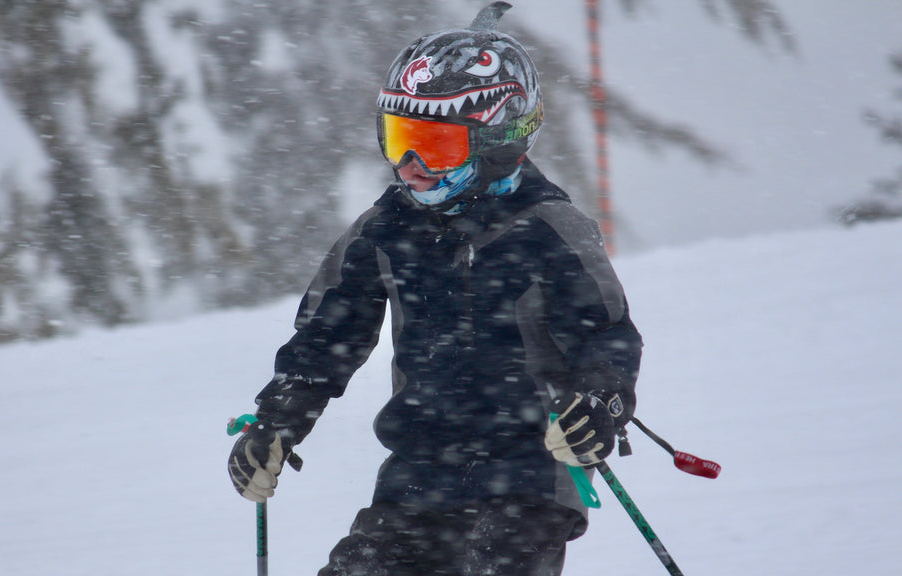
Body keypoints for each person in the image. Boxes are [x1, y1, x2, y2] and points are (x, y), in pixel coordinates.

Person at [229, 3, 643, 574]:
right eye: (400, 139)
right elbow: (327, 336)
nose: (411, 167)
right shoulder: (386, 228)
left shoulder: (548, 229)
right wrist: (277, 420)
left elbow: (607, 338)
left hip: (530, 472)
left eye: (438, 145)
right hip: (419, 472)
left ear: (500, 140)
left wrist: (599, 401)